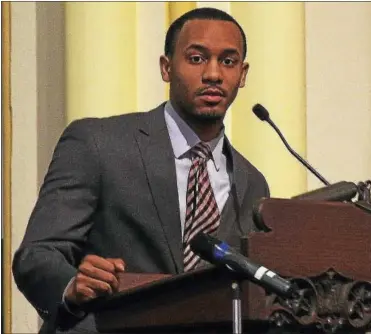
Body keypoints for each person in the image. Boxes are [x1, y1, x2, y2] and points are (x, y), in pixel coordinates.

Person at [13, 7, 269, 334]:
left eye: (228, 62)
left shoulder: (252, 184)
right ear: (166, 67)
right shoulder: (97, 144)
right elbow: (37, 255)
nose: (214, 74)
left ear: (243, 74)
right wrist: (71, 288)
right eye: (196, 59)